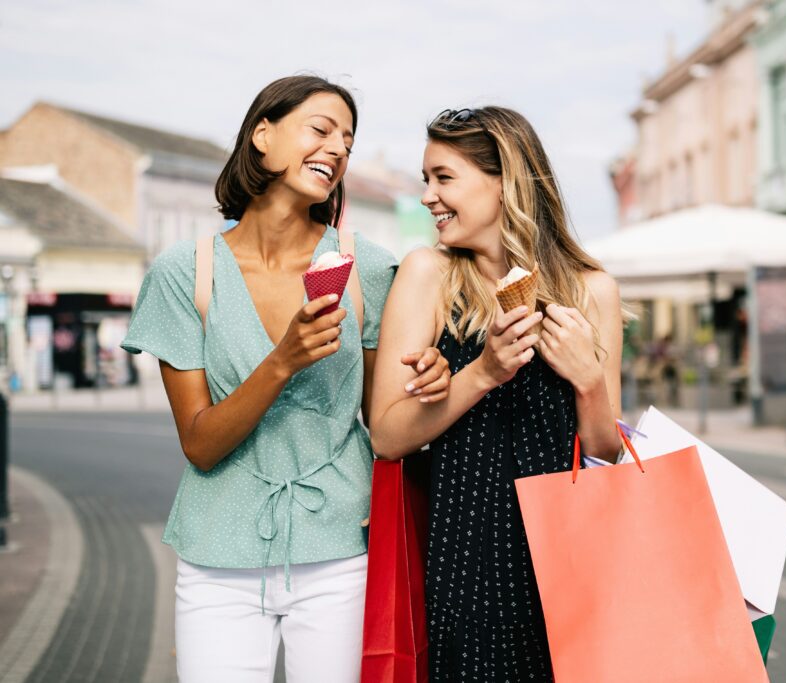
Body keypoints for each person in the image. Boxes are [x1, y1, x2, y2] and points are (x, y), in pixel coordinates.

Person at [120, 76, 450, 683]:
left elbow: (386, 426)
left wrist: (433, 378)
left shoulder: (369, 269)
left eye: (348, 141)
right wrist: (283, 361)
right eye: (321, 129)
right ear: (262, 135)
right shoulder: (184, 273)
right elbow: (200, 443)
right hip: (217, 558)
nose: (338, 149)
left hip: (341, 549)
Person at [369, 106, 624, 681]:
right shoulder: (428, 275)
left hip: (567, 556)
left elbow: (606, 452)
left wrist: (588, 381)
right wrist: (482, 372)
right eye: (426, 179)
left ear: (505, 181)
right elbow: (385, 437)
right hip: (467, 556)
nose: (428, 196)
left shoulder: (592, 291)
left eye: (444, 177)